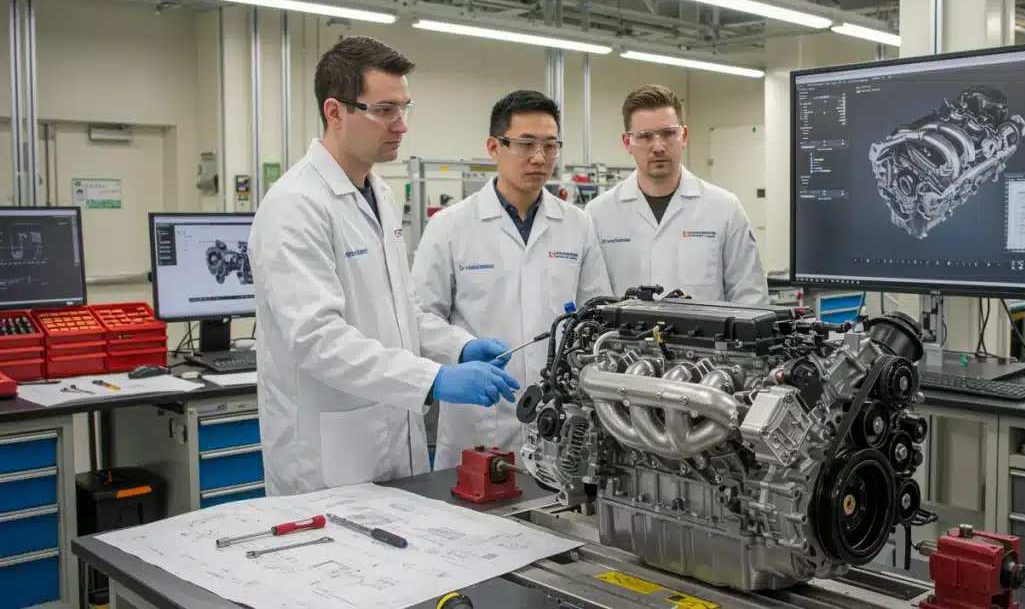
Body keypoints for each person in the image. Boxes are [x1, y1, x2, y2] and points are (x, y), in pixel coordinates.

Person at [248, 36, 520, 496]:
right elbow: (316, 339)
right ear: (335, 112)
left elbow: (400, 311)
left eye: (405, 108)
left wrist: (457, 347)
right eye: (385, 110)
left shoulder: (381, 195)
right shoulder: (294, 206)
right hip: (330, 458)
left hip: (394, 439)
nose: (401, 126)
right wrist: (433, 379)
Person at [412, 90, 613, 471]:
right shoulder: (450, 226)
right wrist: (463, 347)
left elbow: (596, 317)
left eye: (550, 145)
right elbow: (419, 317)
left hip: (560, 421)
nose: (539, 158)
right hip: (478, 422)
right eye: (525, 144)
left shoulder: (578, 225)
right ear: (494, 146)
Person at [586, 84, 769, 305]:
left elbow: (750, 297)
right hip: (620, 340)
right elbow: (590, 301)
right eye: (645, 136)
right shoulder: (598, 214)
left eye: (668, 134)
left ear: (683, 137)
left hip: (705, 341)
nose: (658, 147)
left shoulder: (724, 209)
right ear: (627, 143)